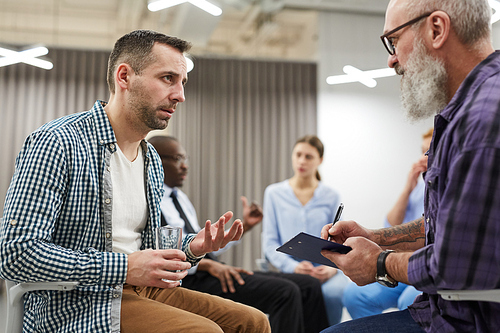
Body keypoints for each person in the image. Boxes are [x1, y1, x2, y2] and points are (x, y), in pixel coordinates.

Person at [0, 30, 271, 333]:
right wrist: (125, 267)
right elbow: (16, 253)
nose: (180, 95)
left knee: (253, 322)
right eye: (168, 78)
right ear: (125, 76)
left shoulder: (151, 160)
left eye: (182, 82)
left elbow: (145, 249)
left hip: (142, 290)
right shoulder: (57, 142)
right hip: (78, 301)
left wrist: (193, 246)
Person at [320, 0, 500, 332]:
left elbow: (454, 267)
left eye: (393, 40)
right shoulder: (464, 111)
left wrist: (377, 263)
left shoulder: (484, 119)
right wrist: (377, 237)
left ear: (436, 29)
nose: (391, 58)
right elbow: (447, 228)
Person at [148, 135, 330, 333]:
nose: (185, 166)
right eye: (177, 159)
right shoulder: (151, 201)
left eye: (185, 159)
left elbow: (204, 246)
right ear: (156, 160)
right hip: (192, 278)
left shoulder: (180, 198)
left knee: (310, 285)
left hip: (213, 270)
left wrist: (246, 226)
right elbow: (155, 252)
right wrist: (208, 264)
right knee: (286, 292)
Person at [342, 129, 433, 319]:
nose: (426, 155)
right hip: (399, 262)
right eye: (424, 151)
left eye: (431, 149)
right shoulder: (416, 189)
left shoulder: (444, 185)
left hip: (425, 266)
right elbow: (391, 223)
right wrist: (408, 187)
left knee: (408, 304)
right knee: (354, 296)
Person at [262, 134, 349, 325]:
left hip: (324, 268)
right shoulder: (274, 193)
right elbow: (269, 243)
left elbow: (337, 242)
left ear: (320, 160)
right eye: (298, 155)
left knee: (333, 294)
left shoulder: (331, 195)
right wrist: (292, 267)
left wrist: (330, 268)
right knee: (290, 293)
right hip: (290, 268)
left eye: (308, 156)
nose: (302, 161)